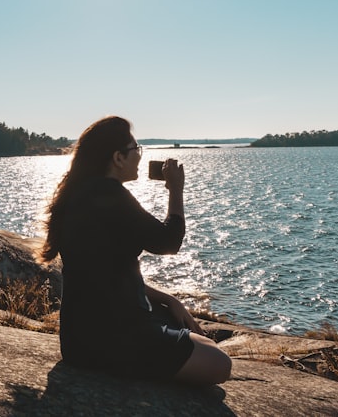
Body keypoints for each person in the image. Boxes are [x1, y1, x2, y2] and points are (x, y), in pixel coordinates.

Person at [40, 116, 232, 384]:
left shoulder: (79, 195)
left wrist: (168, 298)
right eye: (136, 149)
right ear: (118, 158)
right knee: (220, 364)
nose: (140, 156)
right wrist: (176, 189)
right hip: (117, 341)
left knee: (176, 319)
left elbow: (103, 273)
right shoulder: (112, 195)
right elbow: (168, 242)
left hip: (77, 342)